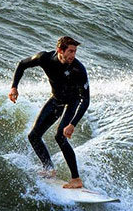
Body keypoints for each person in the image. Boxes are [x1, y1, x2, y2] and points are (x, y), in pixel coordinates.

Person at [8, 35, 90, 189]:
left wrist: (72, 124)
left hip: (73, 102)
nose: (73, 55)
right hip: (56, 100)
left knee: (60, 136)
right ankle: (49, 169)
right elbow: (22, 64)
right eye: (70, 51)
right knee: (33, 136)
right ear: (60, 50)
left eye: (75, 51)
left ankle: (76, 179)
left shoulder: (78, 69)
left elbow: (85, 100)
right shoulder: (45, 58)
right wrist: (14, 87)